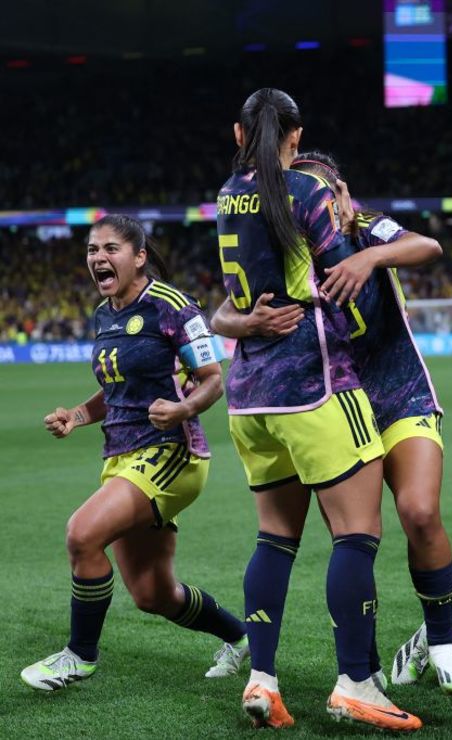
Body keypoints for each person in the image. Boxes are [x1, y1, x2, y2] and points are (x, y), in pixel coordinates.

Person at [213, 152, 452, 693]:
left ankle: (441, 639)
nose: (320, 199)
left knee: (419, 511)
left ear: (341, 191)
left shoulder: (368, 225)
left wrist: (370, 259)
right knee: (353, 536)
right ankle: (366, 664)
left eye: (326, 189)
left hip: (398, 391)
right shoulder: (291, 240)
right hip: (334, 398)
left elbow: (428, 246)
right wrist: (247, 321)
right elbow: (221, 312)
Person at [215, 88, 419, 731]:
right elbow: (340, 279)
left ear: (239, 135)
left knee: (275, 540)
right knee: (357, 535)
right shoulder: (308, 192)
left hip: (250, 397)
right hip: (316, 384)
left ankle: (263, 680)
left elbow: (233, 295)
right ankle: (356, 681)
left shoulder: (227, 194)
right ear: (295, 137)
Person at [21, 215, 248, 692]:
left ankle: (79, 657)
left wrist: (182, 407)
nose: (98, 258)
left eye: (110, 248)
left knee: (82, 534)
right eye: (91, 250)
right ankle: (240, 637)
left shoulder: (173, 305)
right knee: (152, 594)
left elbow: (212, 380)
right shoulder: (104, 312)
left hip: (171, 453)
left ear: (139, 256)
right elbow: (117, 389)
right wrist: (77, 416)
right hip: (121, 458)